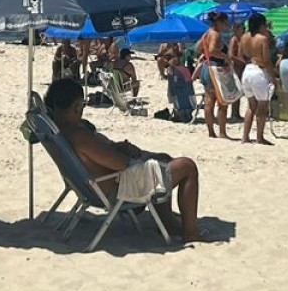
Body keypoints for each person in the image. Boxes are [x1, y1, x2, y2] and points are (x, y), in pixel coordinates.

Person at [44, 78, 203, 245]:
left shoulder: (59, 132)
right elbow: (120, 164)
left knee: (163, 158)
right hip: (119, 188)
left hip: (95, 188)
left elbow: (97, 156)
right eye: (82, 105)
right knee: (187, 166)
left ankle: (167, 222)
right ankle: (190, 233)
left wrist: (115, 147)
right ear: (76, 106)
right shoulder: (78, 135)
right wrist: (128, 154)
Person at [235, 14, 276, 145]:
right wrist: (273, 78)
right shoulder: (262, 39)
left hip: (247, 70)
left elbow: (240, 56)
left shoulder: (244, 37)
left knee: (251, 106)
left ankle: (245, 136)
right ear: (261, 25)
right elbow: (267, 61)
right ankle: (259, 137)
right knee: (262, 106)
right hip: (259, 72)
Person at [197, 12, 237, 141]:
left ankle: (211, 132)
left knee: (209, 101)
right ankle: (222, 132)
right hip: (216, 69)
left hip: (206, 67)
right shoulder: (215, 34)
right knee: (222, 102)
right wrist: (227, 57)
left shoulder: (207, 33)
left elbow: (198, 48)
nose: (227, 25)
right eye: (225, 23)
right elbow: (213, 50)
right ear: (219, 22)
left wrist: (206, 54)